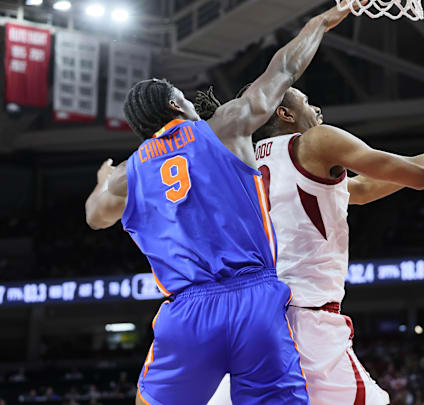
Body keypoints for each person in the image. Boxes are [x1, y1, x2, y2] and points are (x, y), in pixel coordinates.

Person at [84, 3, 363, 404]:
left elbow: (94, 217)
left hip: (188, 311)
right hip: (256, 301)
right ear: (177, 106)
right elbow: (284, 70)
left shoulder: (127, 175)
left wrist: (102, 181)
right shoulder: (224, 127)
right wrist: (320, 21)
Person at [194, 85, 424, 404]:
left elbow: (358, 190)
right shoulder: (316, 141)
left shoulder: (244, 163)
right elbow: (422, 176)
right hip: (305, 319)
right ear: (285, 113)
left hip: (249, 322)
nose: (316, 109)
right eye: (306, 102)